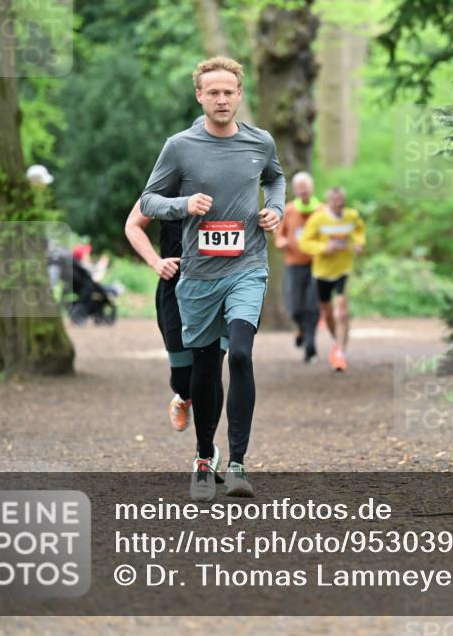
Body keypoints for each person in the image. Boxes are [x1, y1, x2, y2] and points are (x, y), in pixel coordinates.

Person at [139, 56, 285, 501]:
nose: (221, 99)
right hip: (199, 275)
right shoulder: (179, 146)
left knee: (240, 354)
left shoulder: (261, 142)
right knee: (205, 367)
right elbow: (148, 202)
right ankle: (205, 457)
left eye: (229, 92)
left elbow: (276, 180)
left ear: (239, 95)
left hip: (247, 267)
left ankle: (238, 464)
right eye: (213, 92)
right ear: (199, 96)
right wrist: (183, 206)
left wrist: (275, 209)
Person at [124, 199, 227, 434]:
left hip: (218, 287)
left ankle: (205, 452)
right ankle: (183, 396)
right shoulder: (166, 182)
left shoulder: (223, 176)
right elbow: (133, 224)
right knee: (183, 379)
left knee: (211, 369)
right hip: (175, 287)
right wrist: (155, 261)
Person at [298, 186, 365, 373]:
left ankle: (340, 351)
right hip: (322, 272)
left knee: (342, 312)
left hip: (344, 269)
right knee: (328, 314)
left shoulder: (351, 215)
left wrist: (359, 243)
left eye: (342, 200)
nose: (340, 203)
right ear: (329, 202)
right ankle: (338, 343)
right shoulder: (318, 219)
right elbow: (304, 242)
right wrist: (324, 247)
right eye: (336, 200)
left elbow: (359, 229)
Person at [274, 171, 321, 363]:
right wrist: (282, 241)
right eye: (299, 188)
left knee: (312, 307)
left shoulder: (322, 211)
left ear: (312, 188)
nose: (303, 191)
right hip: (294, 264)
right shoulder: (289, 210)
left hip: (318, 265)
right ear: (294, 190)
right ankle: (301, 329)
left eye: (306, 188)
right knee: (294, 308)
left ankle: (310, 346)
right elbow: (278, 234)